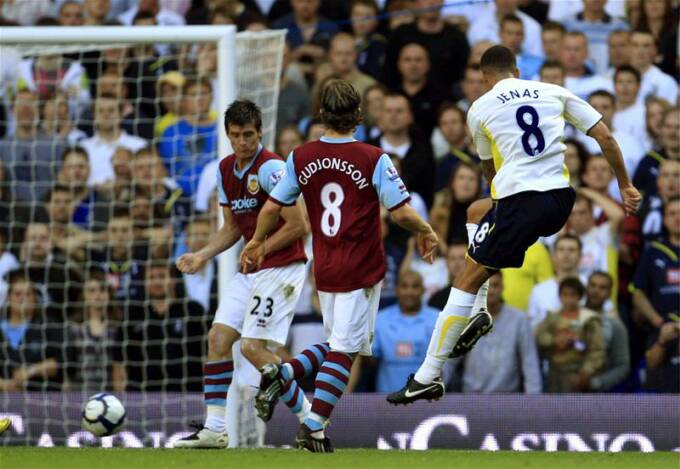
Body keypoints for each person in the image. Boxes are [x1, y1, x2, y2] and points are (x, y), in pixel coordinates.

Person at [386, 45, 640, 405]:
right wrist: (625, 185)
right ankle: (481, 311)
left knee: (462, 282)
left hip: (521, 202)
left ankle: (427, 375)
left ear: (485, 78)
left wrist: (504, 197)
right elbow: (605, 137)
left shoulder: (480, 108)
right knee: (476, 211)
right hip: (560, 200)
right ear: (517, 71)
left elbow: (490, 173)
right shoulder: (554, 91)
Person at [241, 79, 438, 452]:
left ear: (321, 114)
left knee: (335, 344)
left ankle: (283, 373)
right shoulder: (373, 157)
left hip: (325, 266)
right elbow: (401, 213)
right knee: (344, 352)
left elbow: (271, 207)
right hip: (360, 267)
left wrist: (256, 241)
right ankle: (313, 426)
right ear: (359, 116)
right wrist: (427, 230)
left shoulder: (299, 156)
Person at [173, 100, 310, 449]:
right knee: (218, 339)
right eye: (236, 136)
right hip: (253, 268)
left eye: (248, 135)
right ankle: (215, 429)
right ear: (228, 135)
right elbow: (232, 228)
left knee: (251, 348)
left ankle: (312, 422)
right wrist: (202, 255)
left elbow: (298, 225)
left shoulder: (272, 168)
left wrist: (261, 247)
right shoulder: (224, 169)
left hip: (282, 268)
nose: (243, 142)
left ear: (259, 132)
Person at [456, 272, 541, 393]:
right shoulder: (465, 319)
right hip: (472, 398)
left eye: (495, 285)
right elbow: (450, 361)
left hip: (507, 399)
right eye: (486, 287)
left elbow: (530, 363)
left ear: (502, 287)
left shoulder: (519, 320)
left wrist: (535, 403)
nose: (491, 291)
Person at [535, 277, 606, 392]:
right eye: (565, 295)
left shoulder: (589, 320)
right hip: (554, 372)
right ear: (559, 296)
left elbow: (597, 350)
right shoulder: (552, 317)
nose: (568, 299)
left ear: (580, 297)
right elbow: (540, 337)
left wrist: (586, 372)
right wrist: (554, 340)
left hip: (577, 373)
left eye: (573, 295)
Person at [372, 270, 438, 393]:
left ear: (423, 290)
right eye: (404, 286)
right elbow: (370, 359)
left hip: (426, 396)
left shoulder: (437, 319)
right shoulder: (380, 319)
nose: (409, 292)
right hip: (387, 395)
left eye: (415, 286)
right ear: (397, 290)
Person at [584, 271, 630, 392]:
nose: (596, 291)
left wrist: (595, 383)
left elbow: (622, 366)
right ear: (585, 288)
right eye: (592, 285)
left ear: (609, 293)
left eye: (602, 287)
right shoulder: (568, 317)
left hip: (596, 395)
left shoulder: (615, 326)